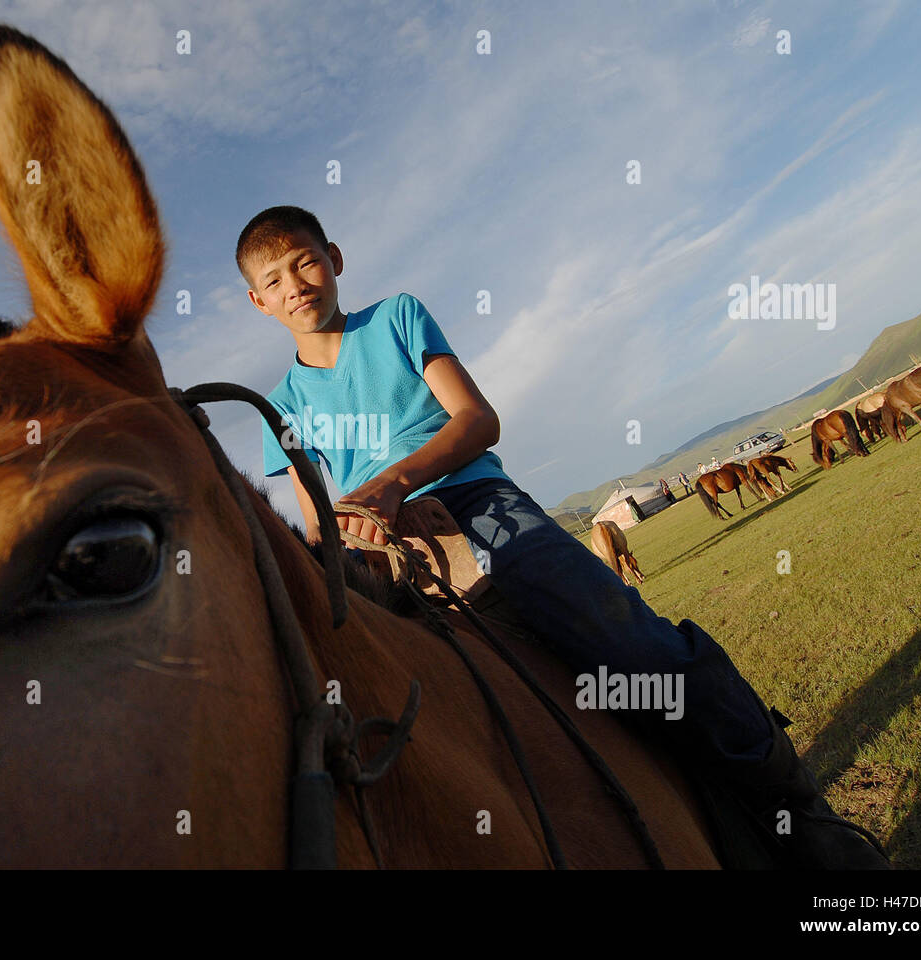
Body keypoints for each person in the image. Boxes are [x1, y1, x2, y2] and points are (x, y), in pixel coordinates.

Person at [237, 204, 886, 868]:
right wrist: (363, 531)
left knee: (626, 639)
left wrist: (396, 481)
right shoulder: (281, 405)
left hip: (477, 501)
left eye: (305, 262)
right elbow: (314, 520)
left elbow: (477, 420)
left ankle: (802, 814)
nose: (296, 285)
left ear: (335, 258)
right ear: (260, 302)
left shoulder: (397, 318)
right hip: (383, 552)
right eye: (276, 280)